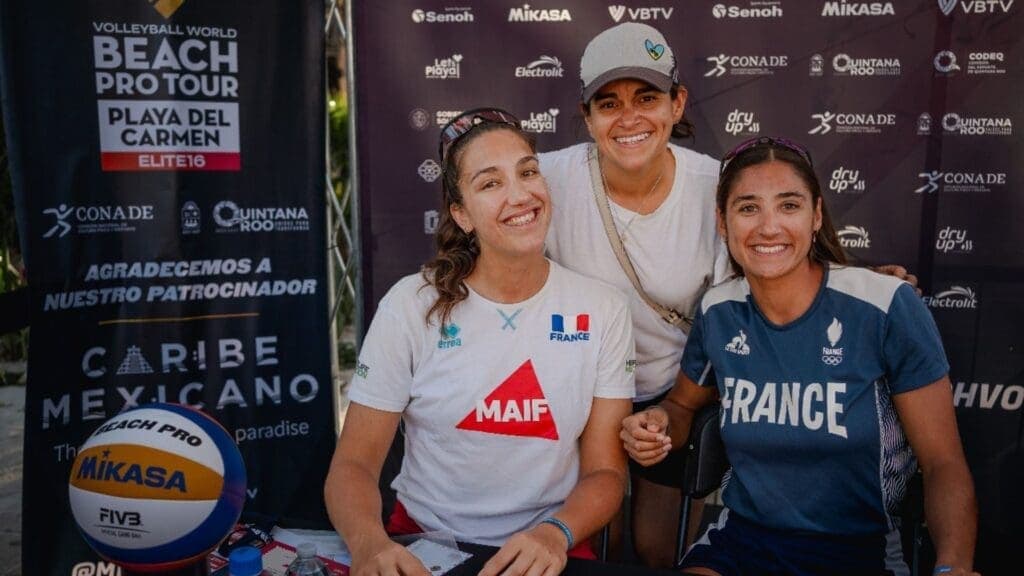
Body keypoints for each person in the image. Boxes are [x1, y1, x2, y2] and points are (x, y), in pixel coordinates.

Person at [540, 22, 918, 568]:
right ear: (587, 116)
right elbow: (494, 230)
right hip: (580, 395)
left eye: (647, 98)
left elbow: (769, 257)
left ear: (677, 103)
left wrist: (857, 278)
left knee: (652, 549)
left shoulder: (714, 186)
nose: (629, 119)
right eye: (608, 103)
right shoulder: (549, 180)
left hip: (672, 393)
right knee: (593, 548)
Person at [620, 136, 979, 576]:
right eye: (748, 208)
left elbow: (943, 463)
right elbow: (681, 405)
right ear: (722, 221)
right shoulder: (719, 310)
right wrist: (657, 424)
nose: (768, 227)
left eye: (788, 206)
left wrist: (953, 567)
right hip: (741, 543)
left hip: (858, 552)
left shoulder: (886, 306)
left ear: (817, 216)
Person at [324, 108, 636, 576]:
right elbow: (353, 464)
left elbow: (606, 474)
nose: (520, 193)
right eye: (490, 183)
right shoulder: (410, 305)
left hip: (554, 545)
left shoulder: (603, 308)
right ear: (461, 214)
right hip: (426, 543)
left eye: (528, 172)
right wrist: (369, 544)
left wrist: (556, 533)